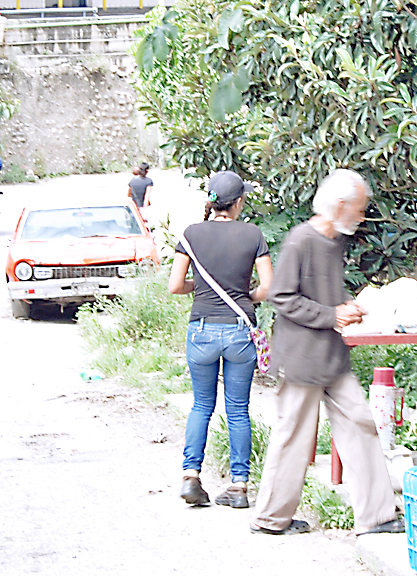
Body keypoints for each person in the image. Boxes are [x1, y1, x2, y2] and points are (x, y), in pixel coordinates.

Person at [249, 169, 403, 536]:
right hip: (301, 357)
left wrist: (347, 307)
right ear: (340, 205)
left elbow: (323, 297)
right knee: (294, 437)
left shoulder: (335, 241)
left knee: (361, 425)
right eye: (359, 209)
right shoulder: (300, 240)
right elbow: (282, 296)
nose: (362, 216)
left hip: (332, 356)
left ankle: (376, 516)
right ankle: (270, 520)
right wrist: (332, 314)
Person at [168, 171, 273, 509]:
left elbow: (175, 285)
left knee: (201, 405)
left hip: (201, 329)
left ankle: (190, 477)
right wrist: (248, 297)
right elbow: (267, 288)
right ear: (239, 201)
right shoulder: (253, 234)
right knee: (238, 410)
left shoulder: (191, 234)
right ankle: (239, 486)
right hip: (240, 331)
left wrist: (197, 289)